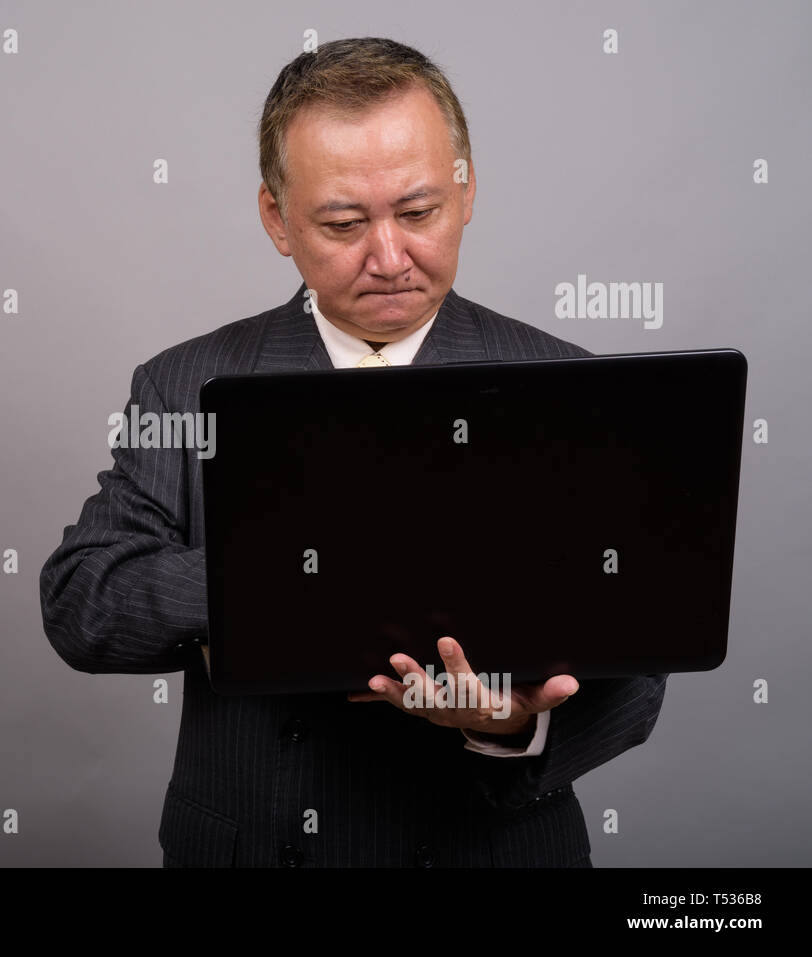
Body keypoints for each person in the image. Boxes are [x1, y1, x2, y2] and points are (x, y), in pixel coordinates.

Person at [39, 37, 666, 867]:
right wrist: (280, 577)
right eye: (342, 223)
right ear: (277, 219)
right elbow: (83, 601)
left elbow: (643, 671)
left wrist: (510, 722)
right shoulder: (184, 385)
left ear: (467, 191)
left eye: (418, 212)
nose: (389, 257)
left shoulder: (571, 388)